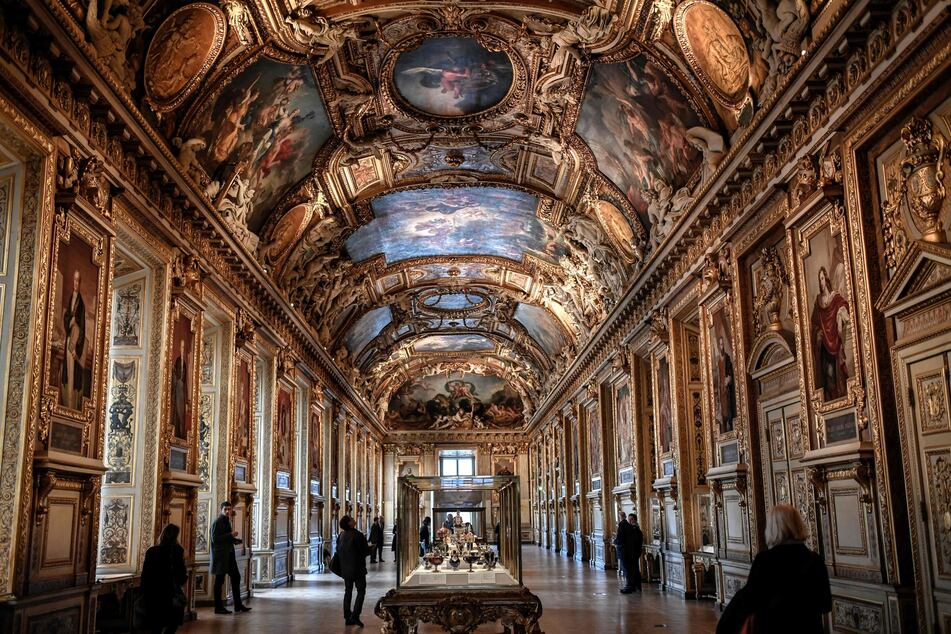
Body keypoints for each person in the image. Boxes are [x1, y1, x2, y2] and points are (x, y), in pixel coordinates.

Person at [717, 505, 831, 634]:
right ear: (798, 525)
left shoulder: (764, 560)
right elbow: (825, 605)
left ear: (772, 528)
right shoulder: (814, 560)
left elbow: (750, 600)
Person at [139, 523, 187, 633]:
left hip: (153, 593)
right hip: (171, 593)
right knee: (172, 624)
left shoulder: (151, 551)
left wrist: (144, 593)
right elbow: (181, 574)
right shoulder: (177, 551)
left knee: (155, 626)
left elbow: (145, 575)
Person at [210, 501, 251, 615]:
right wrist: (231, 535)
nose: (228, 511)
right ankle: (218, 607)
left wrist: (235, 540)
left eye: (229, 509)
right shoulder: (217, 522)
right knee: (219, 582)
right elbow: (215, 539)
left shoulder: (227, 520)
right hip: (221, 557)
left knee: (236, 577)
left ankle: (238, 605)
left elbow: (225, 538)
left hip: (229, 555)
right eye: (225, 509)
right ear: (221, 510)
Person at [337, 515, 373, 627]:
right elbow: (364, 551)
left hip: (346, 569)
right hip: (358, 569)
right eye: (351, 519)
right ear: (349, 523)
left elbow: (338, 550)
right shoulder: (358, 535)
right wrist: (372, 548)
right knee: (361, 591)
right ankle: (355, 615)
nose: (354, 519)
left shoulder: (341, 535)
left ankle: (347, 617)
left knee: (348, 591)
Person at [60, 269, 86, 410]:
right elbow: (67, 318)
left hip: (75, 345)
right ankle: (66, 405)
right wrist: (70, 321)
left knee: (73, 375)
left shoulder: (81, 304)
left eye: (78, 280)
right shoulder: (71, 298)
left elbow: (82, 328)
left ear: (80, 283)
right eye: (74, 280)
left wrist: (77, 348)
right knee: (67, 374)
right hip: (69, 341)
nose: (75, 283)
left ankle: (71, 407)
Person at [614, 513, 643, 594]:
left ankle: (630, 586)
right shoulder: (632, 528)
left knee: (629, 570)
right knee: (634, 570)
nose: (630, 521)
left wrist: (615, 541)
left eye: (631, 519)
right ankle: (635, 586)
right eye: (629, 519)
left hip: (630, 553)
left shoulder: (635, 529)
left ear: (635, 520)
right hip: (632, 553)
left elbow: (626, 540)